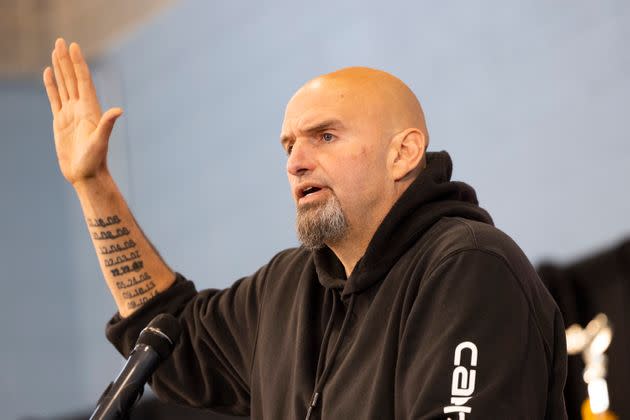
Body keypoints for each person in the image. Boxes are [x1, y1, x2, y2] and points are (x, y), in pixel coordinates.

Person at [43, 37, 568, 419]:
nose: (296, 161)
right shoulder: (288, 289)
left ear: (403, 152)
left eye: (325, 136)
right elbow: (169, 339)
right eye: (289, 145)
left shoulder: (467, 269)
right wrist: (93, 183)